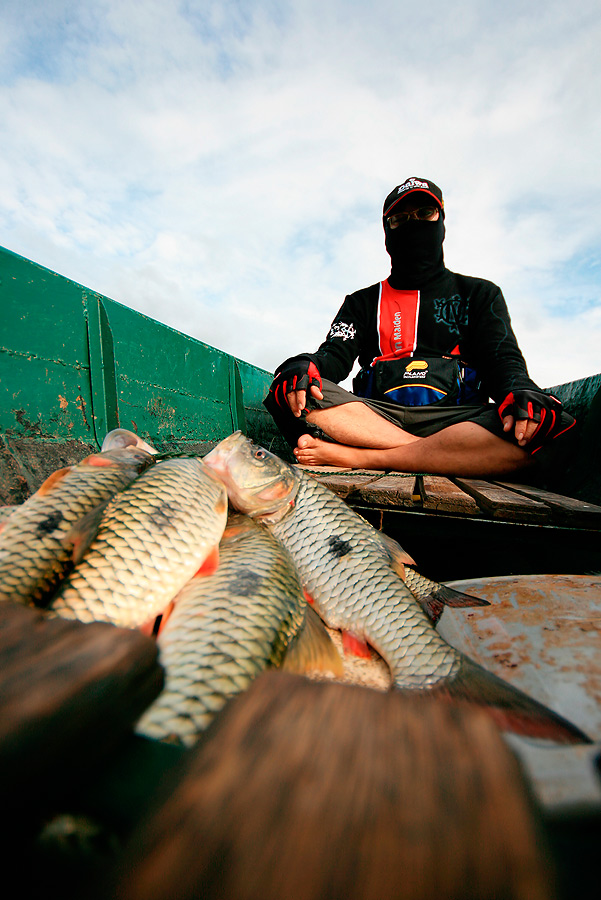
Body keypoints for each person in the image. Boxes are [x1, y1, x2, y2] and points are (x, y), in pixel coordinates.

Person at [264, 177, 576, 478]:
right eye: (400, 218)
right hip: (375, 418)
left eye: (425, 214)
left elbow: (502, 361)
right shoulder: (361, 302)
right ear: (387, 231)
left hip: (455, 420)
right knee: (289, 393)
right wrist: (302, 366)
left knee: (555, 426)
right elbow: (333, 356)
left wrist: (519, 392)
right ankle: (437, 455)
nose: (414, 224)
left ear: (441, 221)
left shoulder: (479, 294)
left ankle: (364, 458)